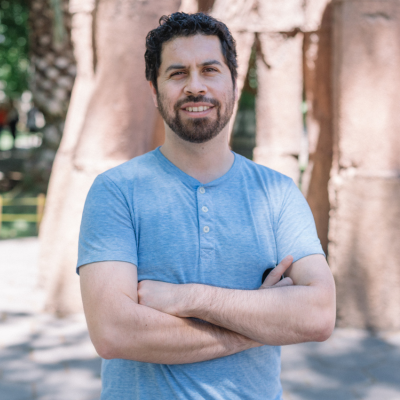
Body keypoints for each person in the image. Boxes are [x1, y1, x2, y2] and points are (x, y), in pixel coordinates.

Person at [78, 12, 336, 400]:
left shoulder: (278, 193)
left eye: (210, 70)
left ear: (233, 81)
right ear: (154, 90)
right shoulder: (116, 191)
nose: (195, 86)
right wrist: (260, 323)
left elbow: (318, 315)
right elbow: (114, 332)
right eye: (177, 73)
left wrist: (188, 299)